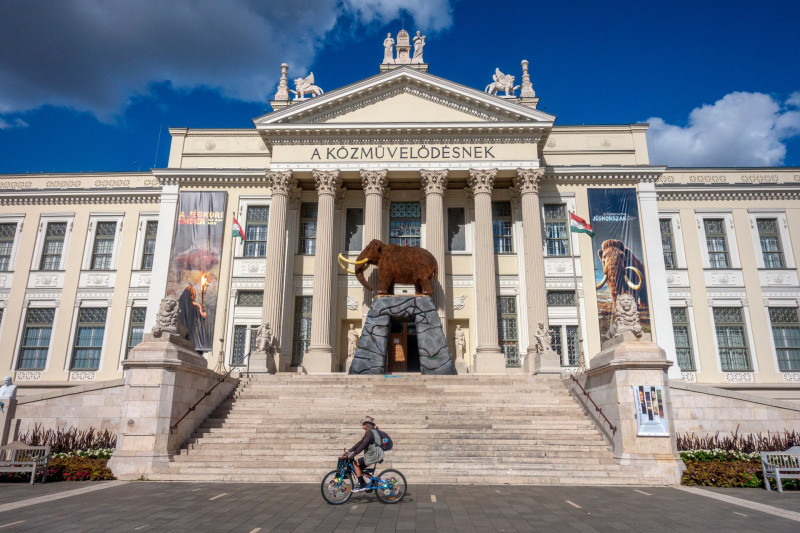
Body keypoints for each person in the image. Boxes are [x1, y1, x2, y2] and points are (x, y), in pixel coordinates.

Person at [343, 415, 385, 491]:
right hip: (372, 455)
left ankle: (362, 484)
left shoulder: (370, 433)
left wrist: (353, 454)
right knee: (360, 469)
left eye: (363, 423)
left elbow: (363, 445)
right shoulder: (368, 432)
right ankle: (374, 481)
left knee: (356, 464)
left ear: (367, 425)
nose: (362, 425)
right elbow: (360, 442)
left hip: (373, 456)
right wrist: (350, 450)